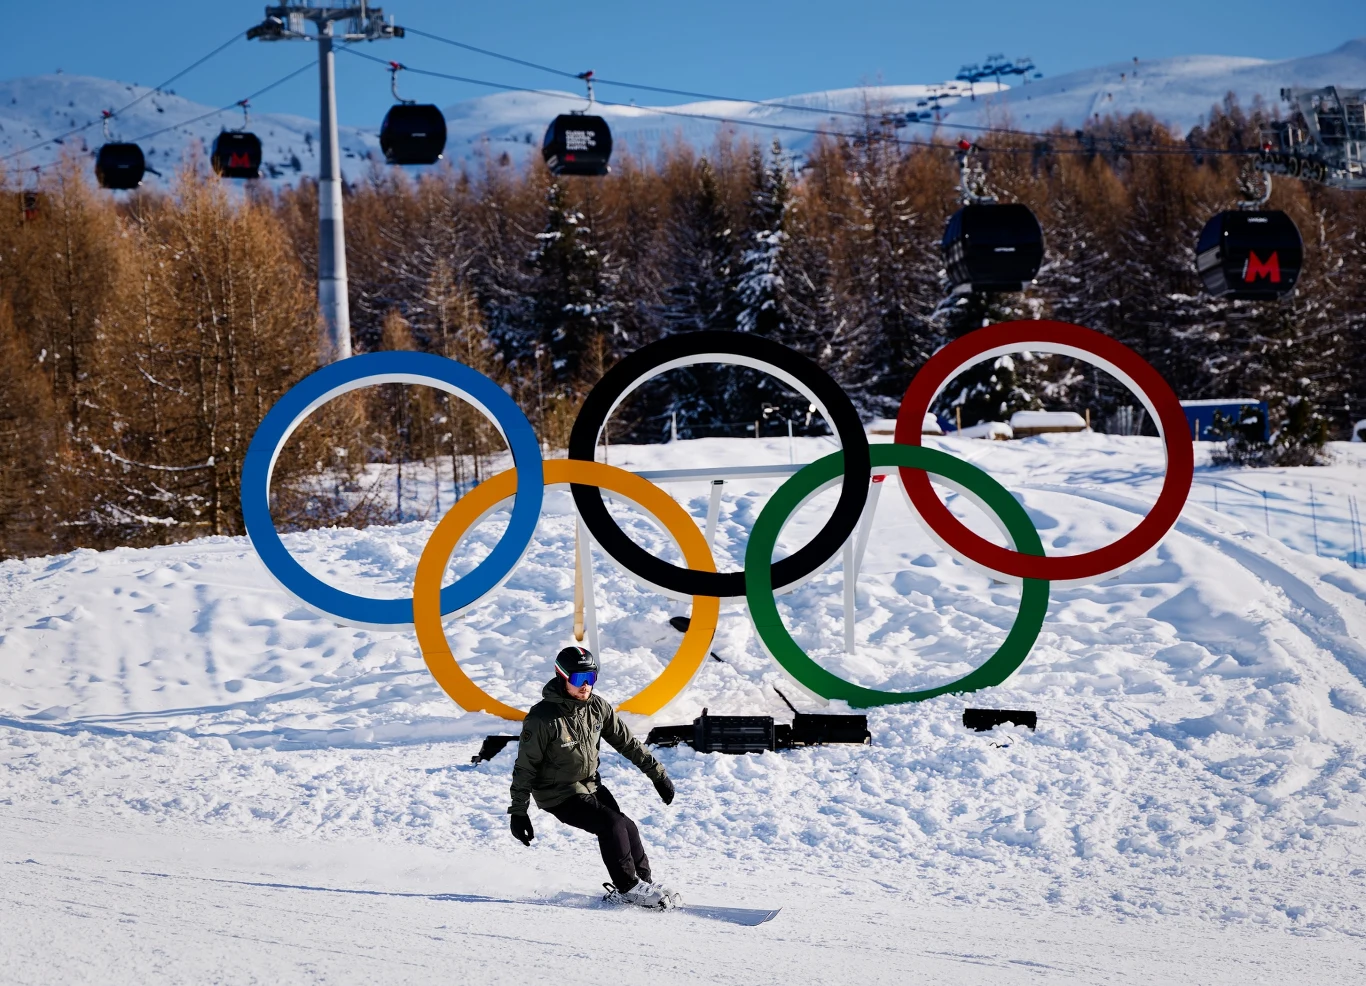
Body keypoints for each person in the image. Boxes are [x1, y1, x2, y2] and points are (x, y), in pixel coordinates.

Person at [508, 645, 679, 909]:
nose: (586, 685)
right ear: (563, 677)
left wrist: (657, 775)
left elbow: (628, 743)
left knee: (626, 826)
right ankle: (628, 888)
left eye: (591, 678)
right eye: (579, 679)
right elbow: (525, 767)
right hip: (557, 792)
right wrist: (518, 812)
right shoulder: (542, 718)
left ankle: (643, 882)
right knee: (611, 825)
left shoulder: (597, 707)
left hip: (589, 784)